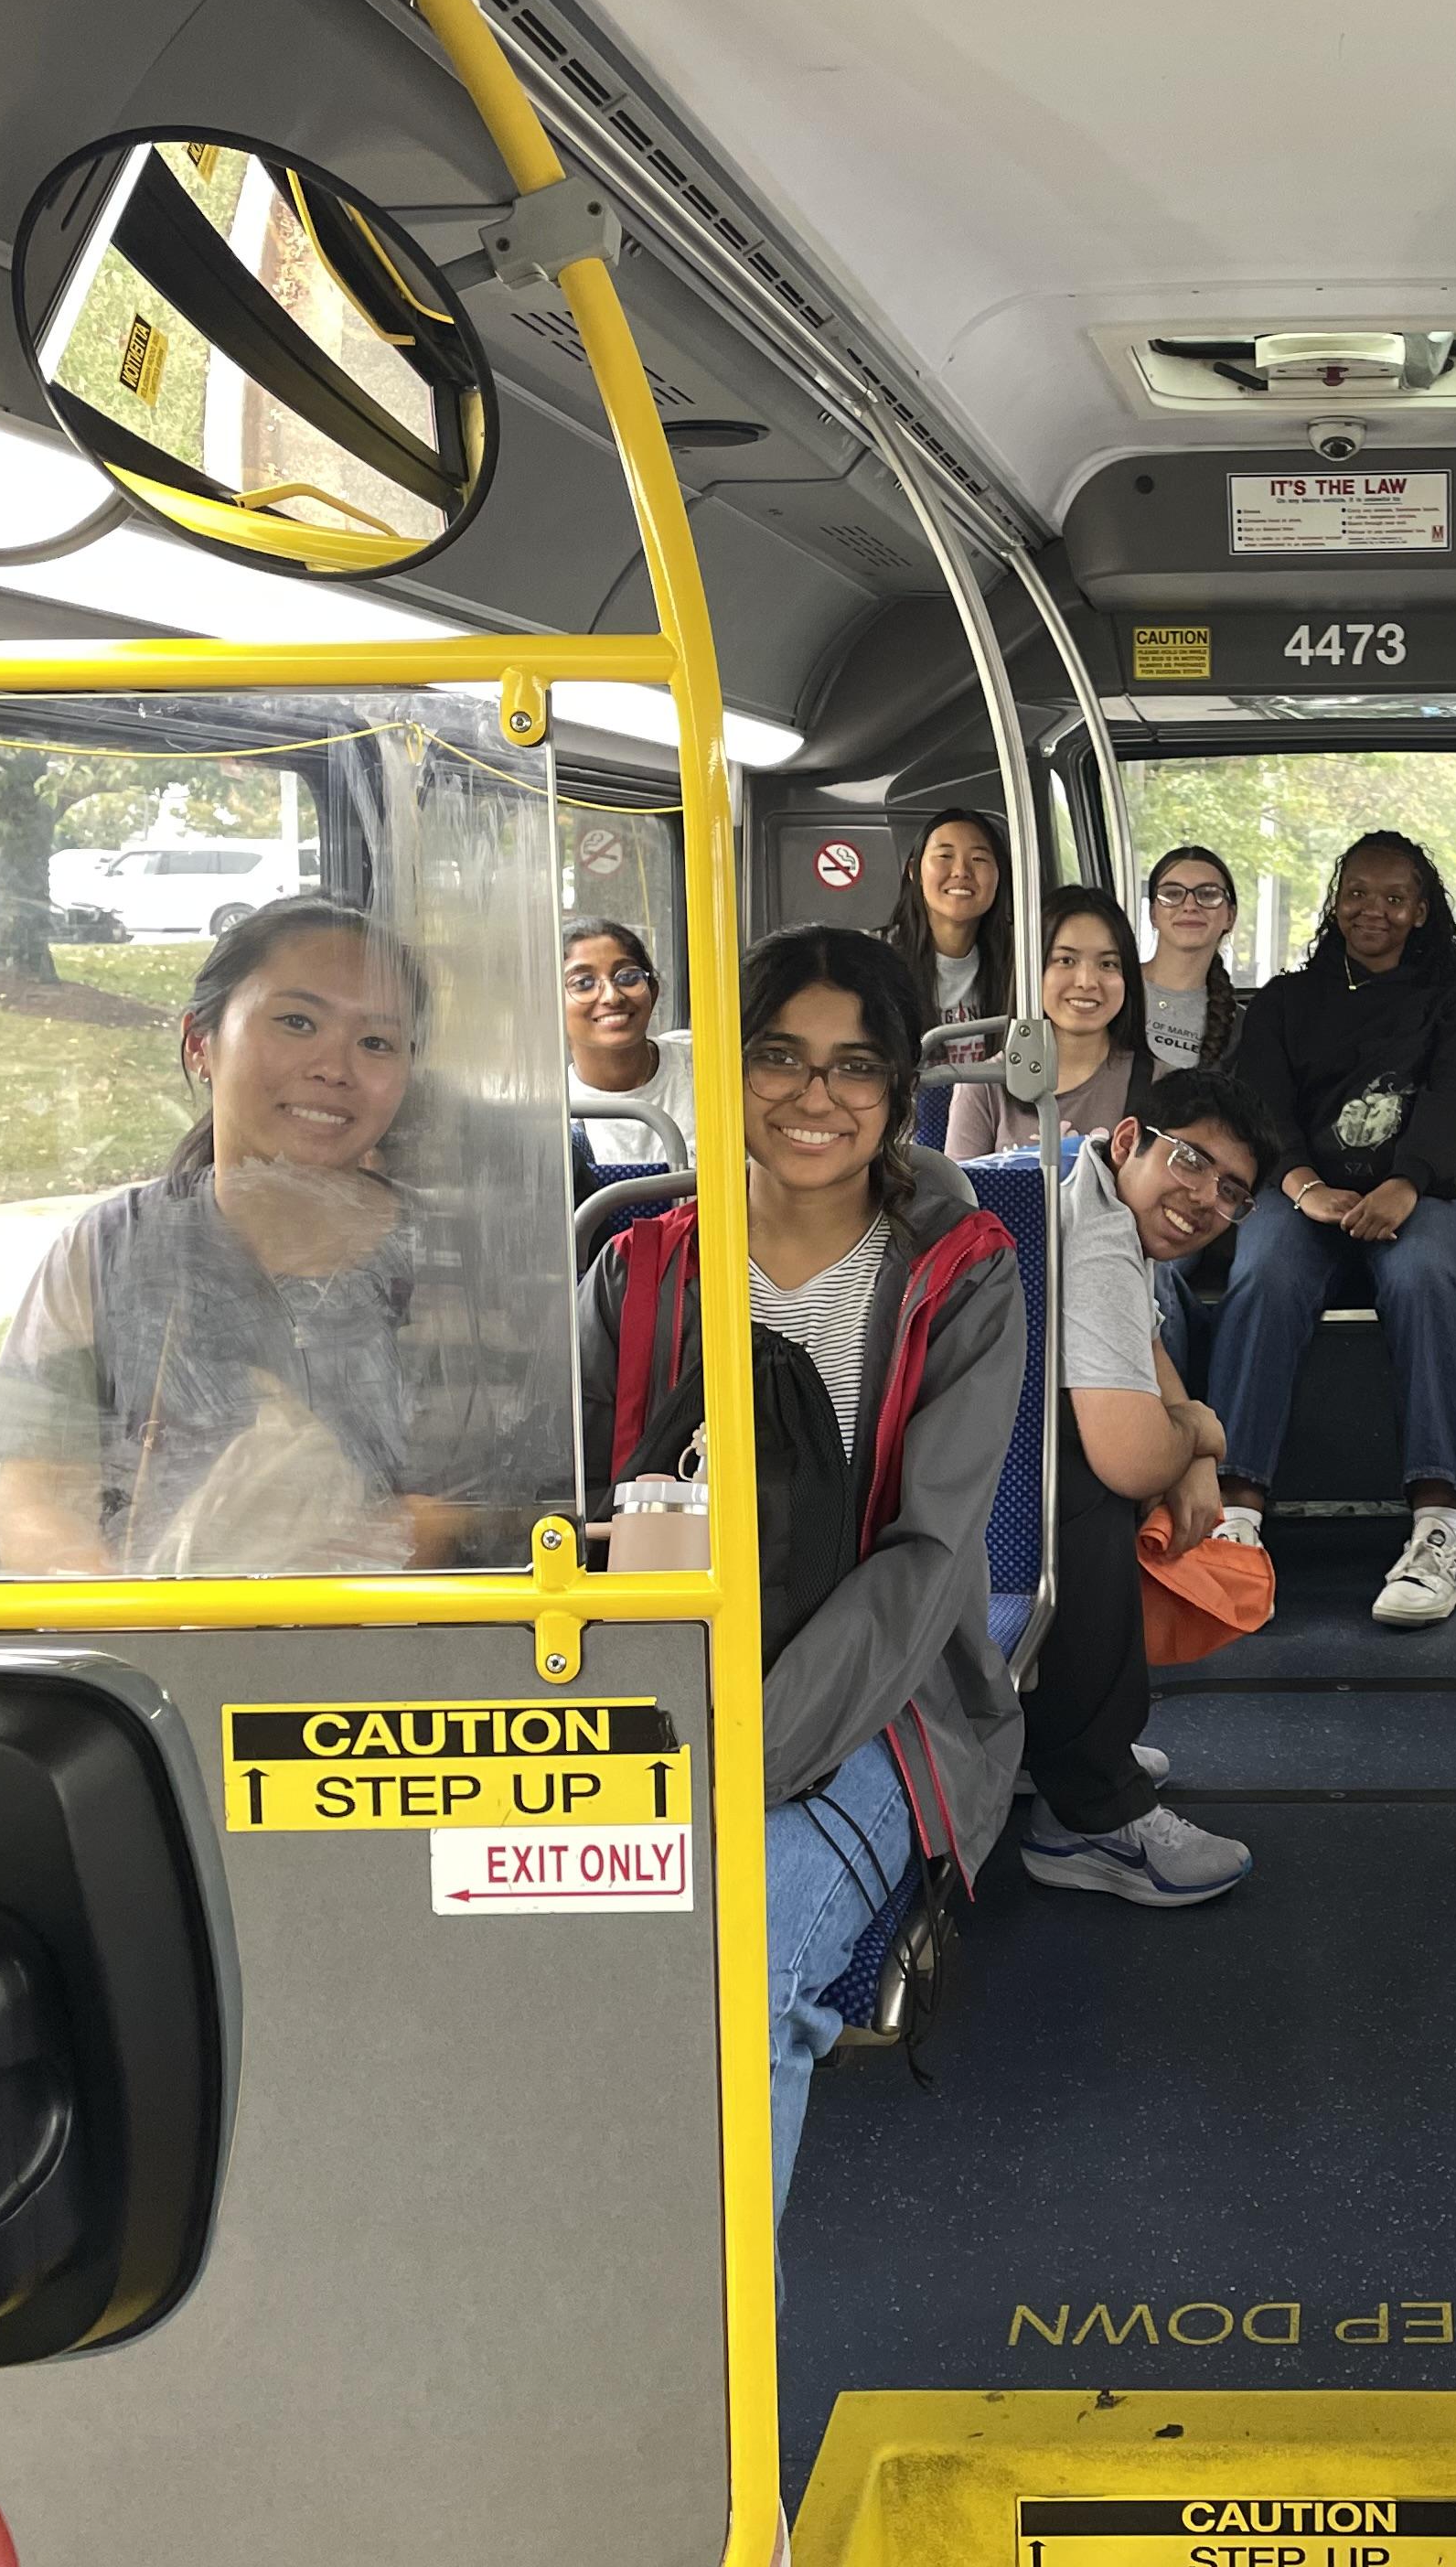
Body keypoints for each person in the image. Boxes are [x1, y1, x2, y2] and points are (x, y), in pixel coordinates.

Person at [573, 926, 1025, 2217]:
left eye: (856, 1067)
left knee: (742, 1971)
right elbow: (556, 1507)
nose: (816, 1098)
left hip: (885, 1702)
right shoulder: (644, 1269)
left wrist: (743, 1751)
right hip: (650, 1684)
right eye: (780, 1057)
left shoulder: (962, 1277)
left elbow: (931, 1560)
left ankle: (703, 2393)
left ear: (897, 1092)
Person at [0, 899, 501, 1573]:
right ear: (202, 1042)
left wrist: (397, 1538)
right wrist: (144, 1617)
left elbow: (528, 1504)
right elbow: (35, 1502)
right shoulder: (107, 1252)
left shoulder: (476, 1259)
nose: (334, 1067)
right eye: (296, 1022)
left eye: (376, 1042)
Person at [1215, 831, 1456, 1625]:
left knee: (1423, 1278)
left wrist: (1408, 1182)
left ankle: (1439, 1528)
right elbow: (1261, 1108)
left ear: (1420, 911)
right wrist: (1303, 1187)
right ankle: (1236, 1519)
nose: (1373, 909)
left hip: (1425, 1187)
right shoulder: (1285, 1001)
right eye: (1358, 893)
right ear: (1336, 900)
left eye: (1394, 897)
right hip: (1302, 1188)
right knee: (1264, 1272)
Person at [1022, 1068, 1287, 1906]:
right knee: (1097, 1481)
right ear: (1131, 1138)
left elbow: (1144, 1350)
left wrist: (1192, 1448)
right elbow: (1135, 1457)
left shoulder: (1090, 1185)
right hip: (942, 1478)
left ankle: (1061, 1742)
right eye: (1191, 1161)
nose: (1204, 1197)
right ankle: (1090, 1814)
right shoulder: (1096, 1239)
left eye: (1232, 1191)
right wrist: (1201, 1434)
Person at [947, 884, 1152, 1158]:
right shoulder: (984, 1086)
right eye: (1066, 960)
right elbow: (961, 1198)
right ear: (1033, 972)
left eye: (1108, 964)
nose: (1087, 982)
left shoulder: (1158, 1083)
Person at [563, 914, 693, 1164]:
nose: (612, 997)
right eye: (583, 983)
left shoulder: (702, 1063)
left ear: (652, 993)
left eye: (627, 977)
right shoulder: (556, 1119)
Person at [882, 808, 1011, 1028]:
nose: (961, 871)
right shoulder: (878, 958)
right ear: (915, 872)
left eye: (979, 859)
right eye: (945, 856)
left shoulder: (1022, 959)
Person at [1140, 843, 1247, 1073]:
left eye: (1208, 895)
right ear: (1153, 914)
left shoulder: (1240, 1026)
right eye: (1172, 894)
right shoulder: (1110, 988)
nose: (1190, 906)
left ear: (1230, 916)